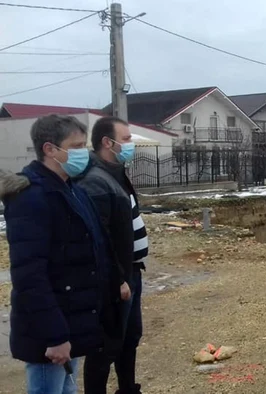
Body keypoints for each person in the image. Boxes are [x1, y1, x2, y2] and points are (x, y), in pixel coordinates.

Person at [0, 115, 119, 394]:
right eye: (75, 146)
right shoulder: (31, 198)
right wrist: (54, 335)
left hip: (71, 321)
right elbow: (30, 276)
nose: (84, 153)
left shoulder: (71, 189)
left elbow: (94, 250)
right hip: (49, 333)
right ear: (49, 149)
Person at [76, 116, 148, 394]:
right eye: (127, 139)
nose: (131, 144)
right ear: (108, 142)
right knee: (107, 343)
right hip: (117, 278)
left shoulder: (115, 171)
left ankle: (128, 389)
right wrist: (117, 278)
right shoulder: (95, 181)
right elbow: (99, 237)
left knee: (129, 337)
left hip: (132, 271)